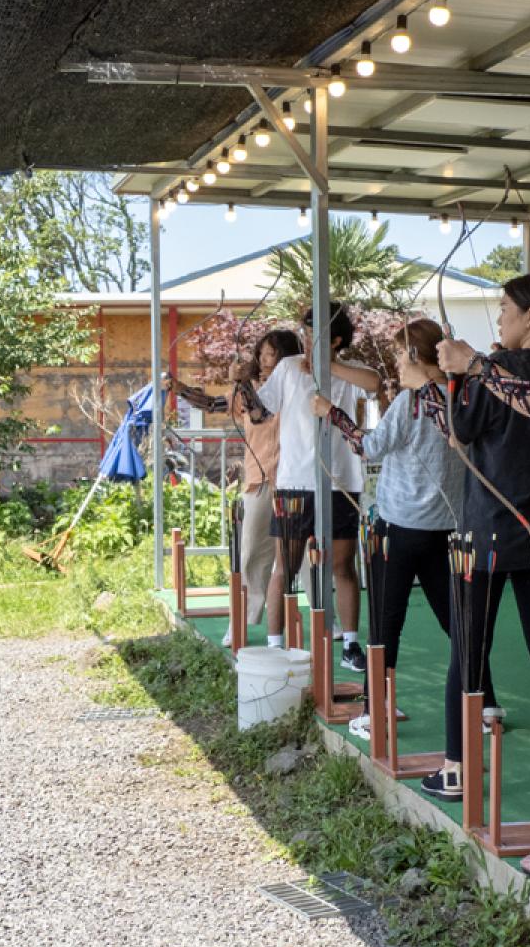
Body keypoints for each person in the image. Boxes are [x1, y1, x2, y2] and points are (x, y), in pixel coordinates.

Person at [436, 276, 530, 865]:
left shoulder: (503, 367)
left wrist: (457, 375)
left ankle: (457, 768)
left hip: (489, 525)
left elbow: (461, 431)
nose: (501, 318)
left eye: (507, 310)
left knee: (469, 648)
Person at [312, 319, 486, 739]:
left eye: (397, 354)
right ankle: (484, 706)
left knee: (387, 623)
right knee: (456, 621)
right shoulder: (459, 398)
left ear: (414, 356)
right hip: (446, 529)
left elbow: (368, 446)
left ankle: (375, 712)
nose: (394, 363)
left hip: (399, 529)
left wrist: (331, 413)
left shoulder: (410, 403)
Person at [251, 302, 381, 670]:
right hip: (294, 480)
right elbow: (261, 410)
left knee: (342, 565)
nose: (308, 340)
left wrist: (329, 367)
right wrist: (244, 381)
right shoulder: (289, 367)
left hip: (340, 480)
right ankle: (276, 646)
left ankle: (351, 644)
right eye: (307, 332)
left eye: (318, 334)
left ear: (337, 340)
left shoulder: (349, 372)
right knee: (285, 566)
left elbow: (375, 384)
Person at [172, 328, 300, 647]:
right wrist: (180, 389)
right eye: (263, 353)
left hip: (296, 476)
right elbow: (218, 405)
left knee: (307, 554)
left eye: (272, 354)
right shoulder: (252, 387)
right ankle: (241, 620)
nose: (265, 359)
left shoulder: (297, 384)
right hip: (260, 477)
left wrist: (242, 382)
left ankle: (328, 618)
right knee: (251, 553)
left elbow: (262, 412)